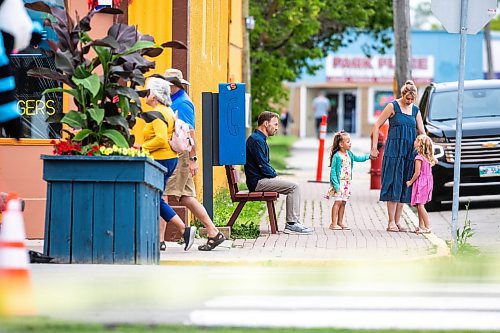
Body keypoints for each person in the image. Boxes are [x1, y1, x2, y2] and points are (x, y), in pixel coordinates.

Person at [163, 68, 225, 251]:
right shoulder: (174, 101)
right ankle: (214, 233)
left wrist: (193, 159)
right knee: (186, 197)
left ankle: (159, 241)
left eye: (167, 84)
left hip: (180, 156)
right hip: (180, 155)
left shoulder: (182, 103)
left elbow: (191, 133)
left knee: (164, 195)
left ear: (173, 85)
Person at [141, 77, 196, 251]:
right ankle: (183, 230)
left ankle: (184, 230)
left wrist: (141, 148)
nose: (145, 95)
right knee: (157, 197)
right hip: (169, 158)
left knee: (156, 198)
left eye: (147, 92)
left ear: (155, 95)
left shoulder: (158, 113)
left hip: (161, 159)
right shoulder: (167, 110)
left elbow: (160, 139)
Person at [370, 80, 425, 232]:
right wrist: (374, 148)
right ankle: (390, 222)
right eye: (407, 98)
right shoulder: (392, 106)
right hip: (394, 152)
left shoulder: (415, 110)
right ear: (402, 95)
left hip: (409, 153)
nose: (409, 101)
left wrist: (425, 149)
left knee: (404, 186)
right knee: (393, 184)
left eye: (412, 99)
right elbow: (376, 126)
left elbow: (422, 132)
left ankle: (397, 221)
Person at [245, 111, 313, 234]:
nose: (277, 128)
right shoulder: (256, 140)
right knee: (293, 187)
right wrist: (276, 176)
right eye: (275, 124)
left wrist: (276, 177)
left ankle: (294, 222)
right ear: (266, 124)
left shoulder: (259, 139)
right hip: (258, 183)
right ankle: (292, 224)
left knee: (292, 185)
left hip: (260, 180)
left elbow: (264, 166)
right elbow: (263, 166)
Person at [326, 131, 370, 230]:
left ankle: (340, 222)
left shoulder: (349, 153)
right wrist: (336, 186)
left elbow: (357, 158)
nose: (350, 143)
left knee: (343, 202)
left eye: (350, 141)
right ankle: (333, 224)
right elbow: (333, 172)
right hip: (339, 183)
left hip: (346, 183)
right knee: (338, 202)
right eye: (348, 142)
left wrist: (368, 156)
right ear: (341, 144)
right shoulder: (337, 156)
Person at [406, 134, 436, 234]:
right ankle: (421, 226)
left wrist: (410, 182)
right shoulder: (427, 158)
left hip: (421, 184)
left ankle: (427, 226)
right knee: (420, 205)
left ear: (420, 145)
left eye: (416, 140)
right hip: (427, 183)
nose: (414, 142)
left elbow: (417, 173)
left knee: (420, 205)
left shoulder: (418, 158)